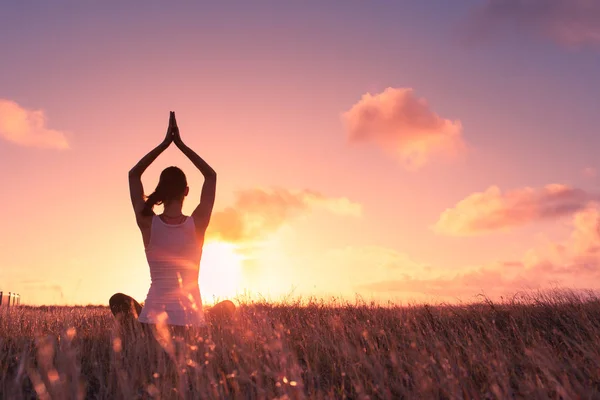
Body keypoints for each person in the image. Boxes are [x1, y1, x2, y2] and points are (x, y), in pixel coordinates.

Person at [109, 111, 235, 339]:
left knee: (118, 300)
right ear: (186, 191)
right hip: (192, 329)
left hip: (151, 328)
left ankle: (135, 342)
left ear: (161, 191)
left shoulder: (147, 222)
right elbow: (211, 176)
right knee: (227, 307)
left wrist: (164, 144)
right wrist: (181, 145)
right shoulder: (197, 223)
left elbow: (133, 174)